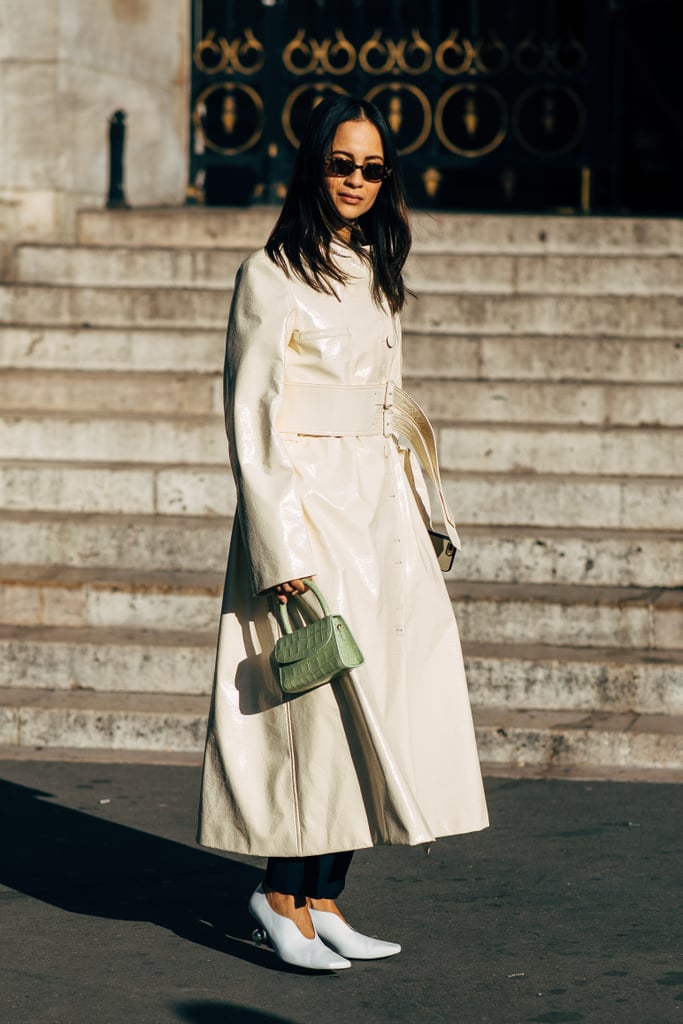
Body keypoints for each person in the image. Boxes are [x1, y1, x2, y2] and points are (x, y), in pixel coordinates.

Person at [197, 95, 489, 971]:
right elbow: (251, 417)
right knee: (319, 713)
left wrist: (420, 509)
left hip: (380, 513)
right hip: (312, 514)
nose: (356, 181)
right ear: (309, 166)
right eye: (340, 163)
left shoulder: (372, 268)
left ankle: (323, 898)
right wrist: (279, 547)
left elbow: (387, 404)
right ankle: (277, 894)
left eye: (372, 168)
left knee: (380, 710)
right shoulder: (270, 275)